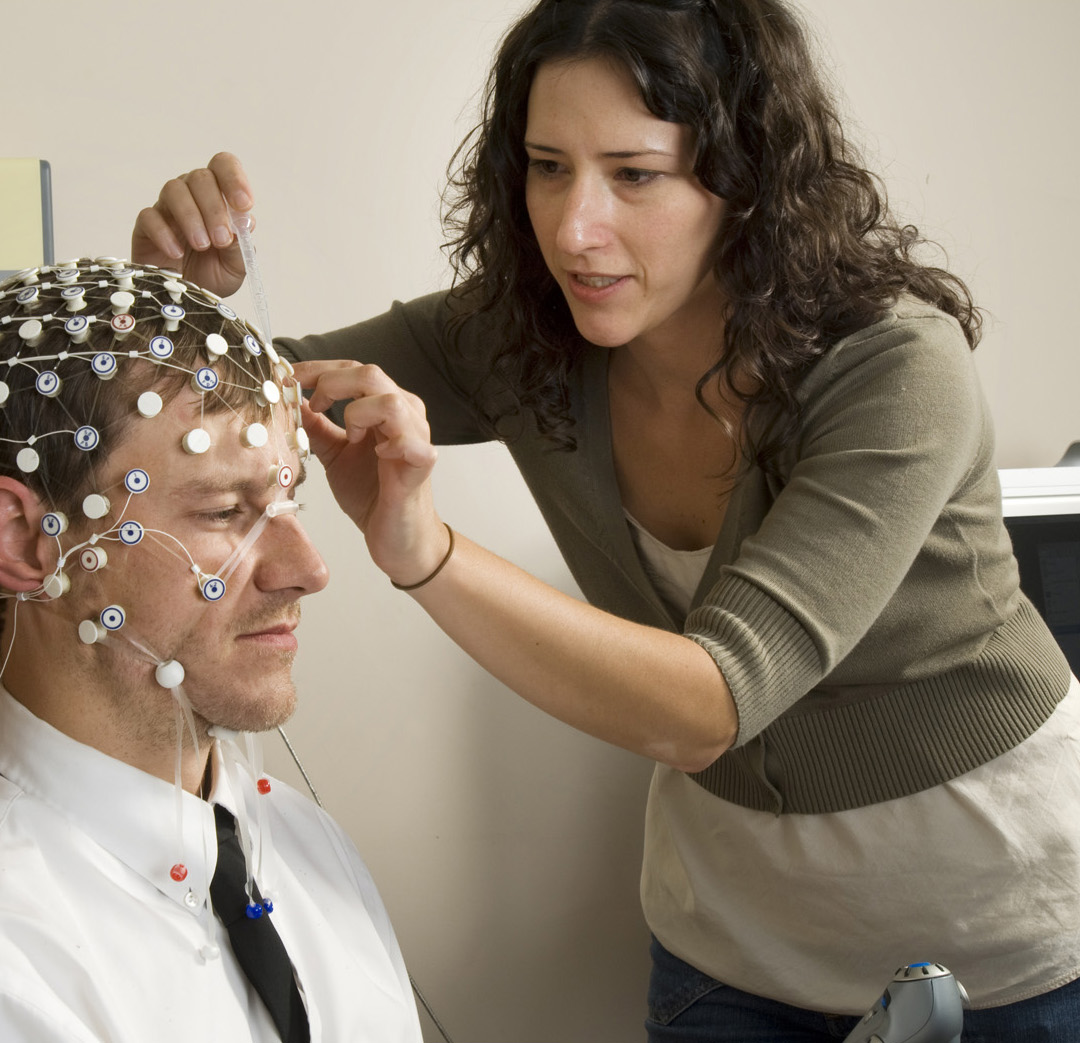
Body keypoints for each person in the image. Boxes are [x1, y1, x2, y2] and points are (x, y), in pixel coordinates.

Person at [131, 0, 1080, 1038]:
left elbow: (711, 703)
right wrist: (177, 304)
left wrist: (426, 552)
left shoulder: (896, 366)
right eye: (547, 166)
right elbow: (250, 400)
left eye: (635, 175)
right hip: (732, 939)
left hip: (1002, 933)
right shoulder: (517, 335)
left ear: (746, 178)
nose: (575, 229)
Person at [0, 260, 423, 1042]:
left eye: (290, 500)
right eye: (224, 509)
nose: (309, 570)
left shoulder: (310, 853)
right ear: (22, 541)